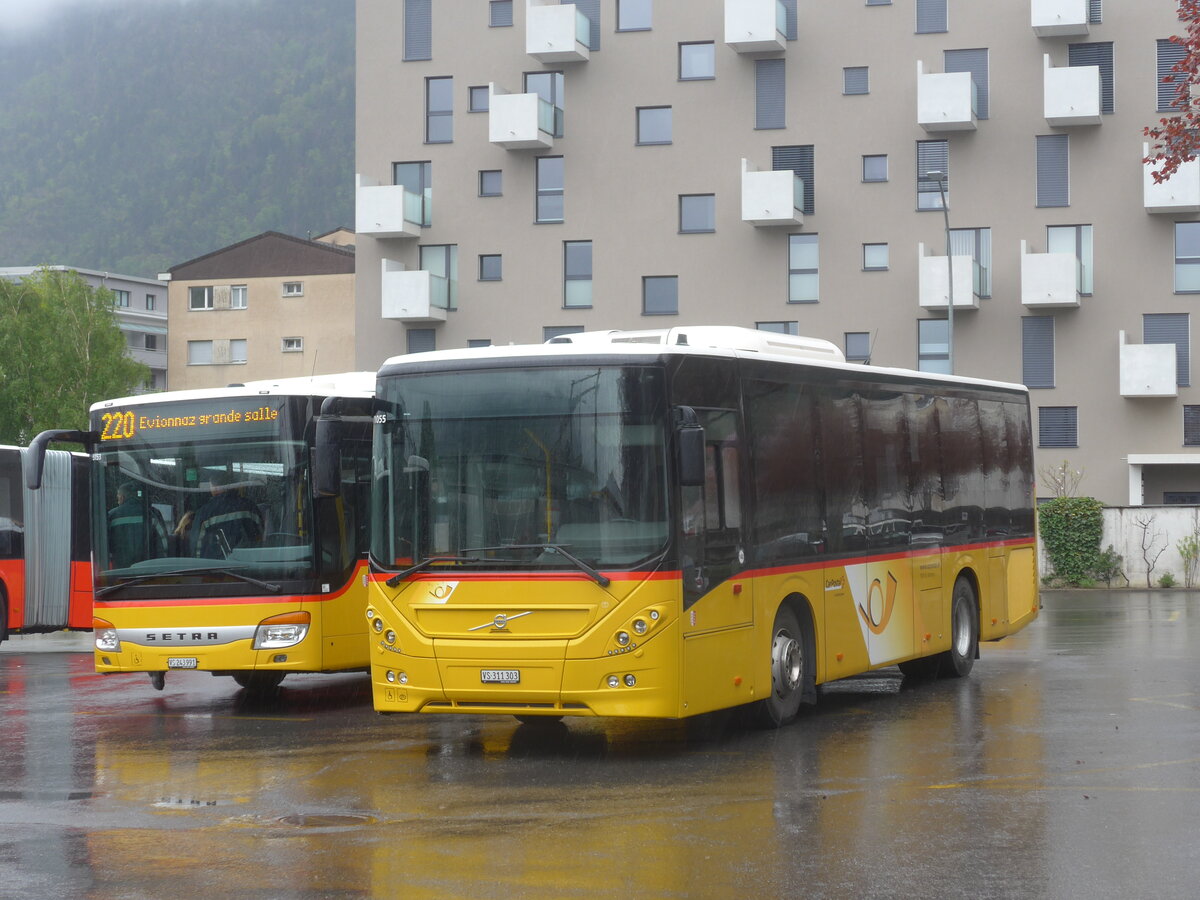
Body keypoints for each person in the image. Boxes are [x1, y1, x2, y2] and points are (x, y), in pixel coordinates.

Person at [189, 471, 263, 558]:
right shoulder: (249, 507)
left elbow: (196, 548)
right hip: (250, 566)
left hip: (214, 568)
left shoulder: (204, 513)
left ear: (215, 487)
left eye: (210, 486)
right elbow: (261, 538)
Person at [108, 481, 166, 569]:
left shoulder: (111, 516)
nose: (117, 500)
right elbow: (163, 543)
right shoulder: (152, 514)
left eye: (118, 497)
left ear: (122, 497)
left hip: (120, 572)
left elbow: (105, 545)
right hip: (148, 571)